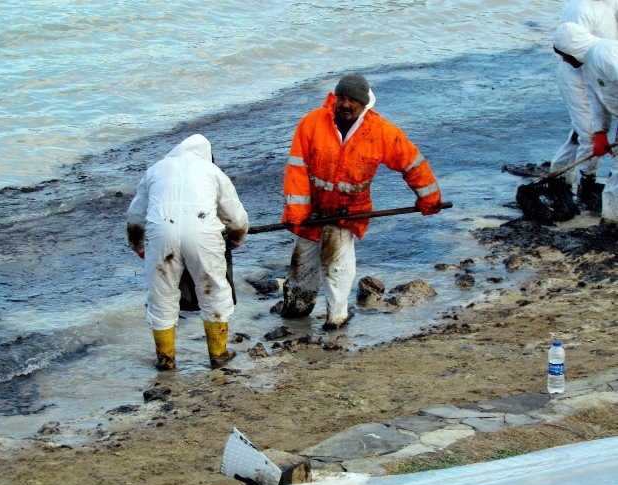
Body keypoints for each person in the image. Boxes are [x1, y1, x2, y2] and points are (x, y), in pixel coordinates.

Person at [279, 72, 442, 330]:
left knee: (336, 267)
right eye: (341, 98)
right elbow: (297, 168)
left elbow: (411, 162)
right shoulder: (311, 123)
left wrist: (429, 197)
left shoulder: (381, 131)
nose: (345, 104)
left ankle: (337, 317)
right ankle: (296, 310)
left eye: (351, 100)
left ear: (363, 104)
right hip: (312, 210)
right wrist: (297, 211)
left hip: (348, 211)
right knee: (302, 265)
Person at [126, 134, 249, 370]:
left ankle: (166, 360)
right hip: (203, 233)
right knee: (213, 289)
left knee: (161, 294)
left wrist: (138, 245)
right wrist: (235, 239)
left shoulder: (155, 170)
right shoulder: (213, 172)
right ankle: (218, 354)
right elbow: (235, 217)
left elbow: (135, 217)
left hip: (161, 233)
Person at [550, 0, 617, 207]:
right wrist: (600, 132)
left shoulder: (610, 5)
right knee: (585, 133)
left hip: (602, 70)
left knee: (584, 136)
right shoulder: (580, 8)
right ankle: (577, 185)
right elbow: (569, 42)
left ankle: (573, 181)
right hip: (576, 77)